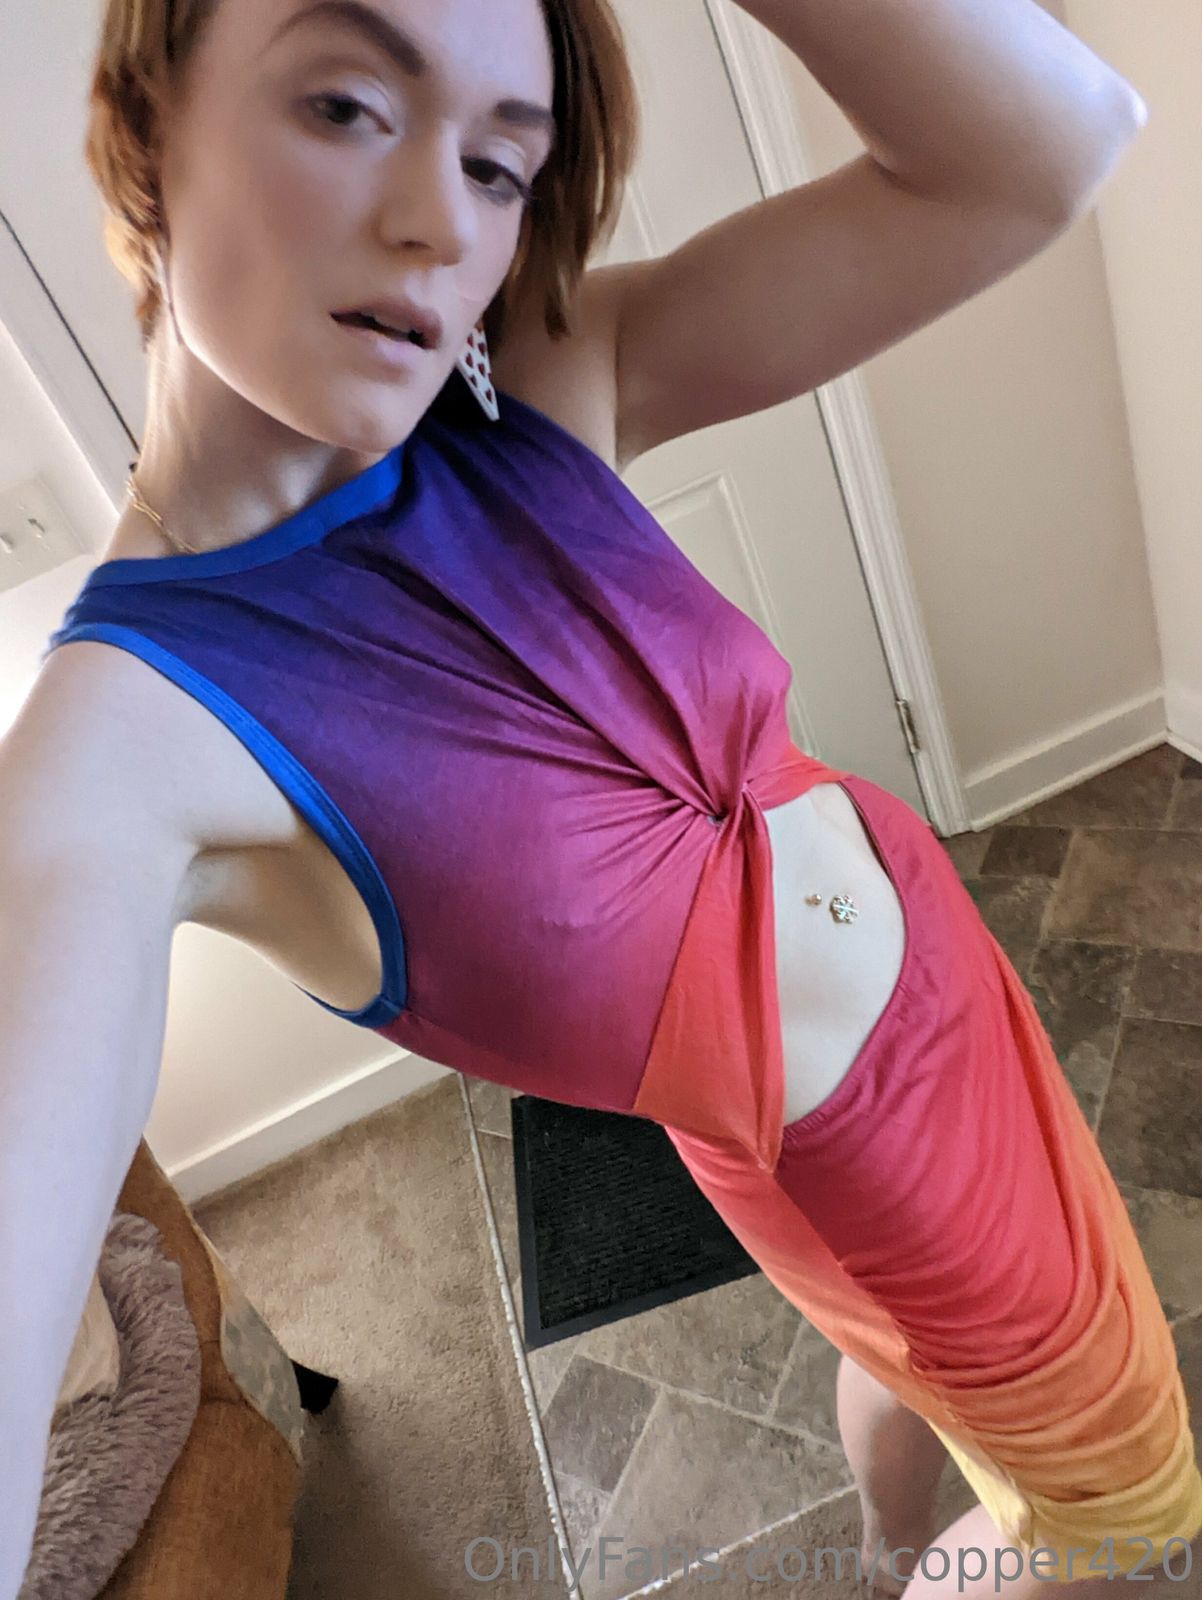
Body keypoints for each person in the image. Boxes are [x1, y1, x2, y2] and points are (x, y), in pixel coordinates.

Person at [0, 0, 1193, 1595]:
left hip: (948, 982)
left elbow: (1050, 148)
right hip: (871, 1170)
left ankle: (883, 1541)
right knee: (1118, 1513)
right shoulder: (115, 751)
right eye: (346, 105)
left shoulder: (535, 394)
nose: (440, 224)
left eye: (500, 164)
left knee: (898, 1363)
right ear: (145, 119)